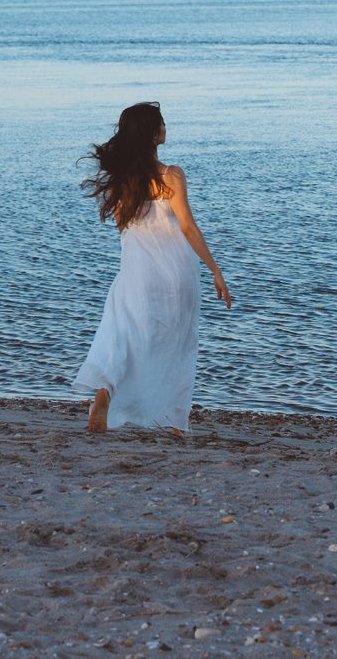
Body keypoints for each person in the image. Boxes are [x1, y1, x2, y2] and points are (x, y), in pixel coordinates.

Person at [71, 101, 231, 434]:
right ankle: (173, 421)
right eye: (162, 123)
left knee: (124, 338)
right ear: (152, 134)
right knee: (175, 343)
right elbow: (187, 226)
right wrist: (215, 269)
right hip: (177, 273)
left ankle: (107, 391)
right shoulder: (171, 175)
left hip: (137, 272)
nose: (166, 127)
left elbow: (123, 230)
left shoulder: (121, 182)